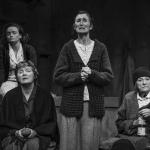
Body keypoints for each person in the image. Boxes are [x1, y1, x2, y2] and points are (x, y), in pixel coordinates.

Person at [53, 10, 113, 150]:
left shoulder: (100, 48)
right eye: (78, 21)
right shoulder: (68, 48)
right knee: (68, 145)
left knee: (89, 145)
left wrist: (92, 74)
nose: (81, 23)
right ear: (74, 27)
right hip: (70, 104)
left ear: (91, 26)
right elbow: (58, 76)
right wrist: (78, 76)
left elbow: (108, 76)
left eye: (84, 20)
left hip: (92, 105)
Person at [0, 61, 59, 150]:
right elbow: (3, 124)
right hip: (14, 135)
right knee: (12, 146)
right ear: (17, 77)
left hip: (39, 135)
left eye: (28, 71)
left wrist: (35, 132)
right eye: (20, 72)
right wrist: (16, 132)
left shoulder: (45, 96)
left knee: (32, 144)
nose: (24, 73)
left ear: (35, 75)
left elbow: (51, 123)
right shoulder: (9, 97)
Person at [115, 66, 150, 150]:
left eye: (147, 79)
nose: (144, 83)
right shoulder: (129, 98)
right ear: (135, 83)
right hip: (132, 138)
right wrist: (134, 123)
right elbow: (119, 123)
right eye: (140, 80)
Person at [0, 23, 37, 97]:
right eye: (8, 33)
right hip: (9, 81)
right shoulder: (3, 49)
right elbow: (1, 69)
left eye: (14, 33)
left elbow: (33, 68)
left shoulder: (29, 49)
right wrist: (1, 83)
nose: (11, 35)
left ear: (20, 35)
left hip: (26, 80)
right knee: (7, 93)